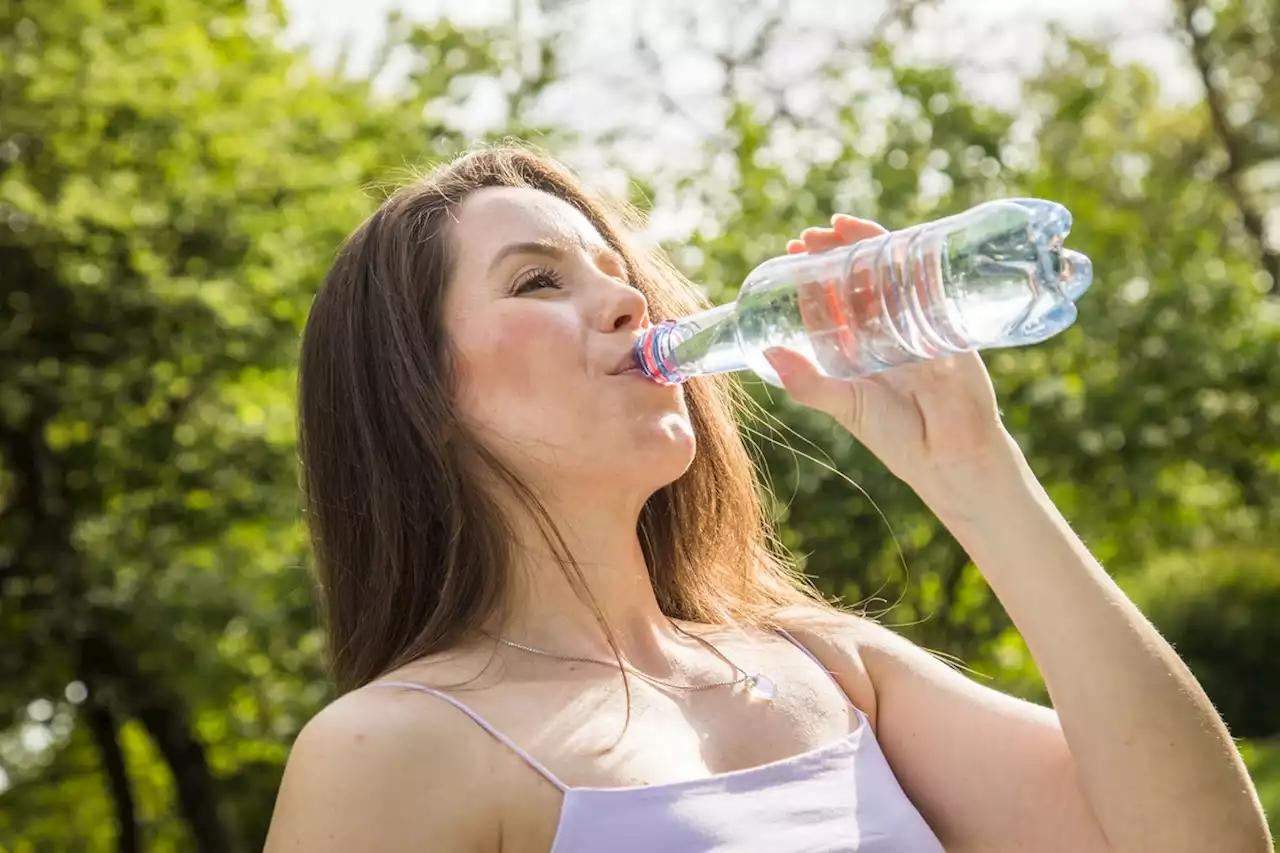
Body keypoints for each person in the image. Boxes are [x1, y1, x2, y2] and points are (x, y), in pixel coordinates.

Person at [264, 146, 1270, 853]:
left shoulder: (829, 666)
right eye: (536, 283)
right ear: (421, 395)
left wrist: (973, 468)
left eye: (618, 275)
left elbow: (1205, 841)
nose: (629, 302)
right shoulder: (392, 748)